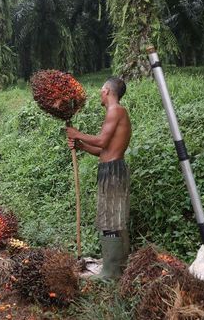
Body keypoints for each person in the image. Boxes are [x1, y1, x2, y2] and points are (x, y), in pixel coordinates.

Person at [66, 77, 132, 279]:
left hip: (113, 171)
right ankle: (117, 263)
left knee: (111, 218)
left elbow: (102, 140)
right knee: (111, 216)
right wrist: (81, 146)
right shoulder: (115, 112)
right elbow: (104, 149)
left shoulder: (116, 110)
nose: (99, 93)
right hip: (109, 168)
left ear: (108, 92)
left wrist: (77, 133)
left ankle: (111, 272)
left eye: (101, 89)